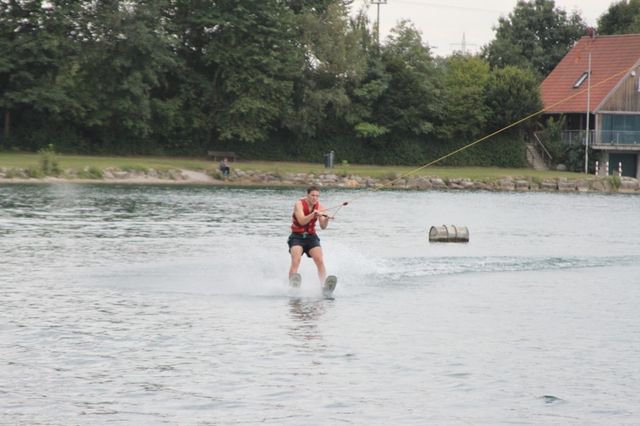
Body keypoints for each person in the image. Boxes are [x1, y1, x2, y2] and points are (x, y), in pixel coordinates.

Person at [288, 185, 331, 284]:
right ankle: (292, 285)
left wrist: (326, 219)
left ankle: (324, 285)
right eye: (312, 195)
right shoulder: (299, 204)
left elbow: (323, 226)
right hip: (297, 237)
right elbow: (302, 221)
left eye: (317, 196)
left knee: (319, 260)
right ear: (307, 195)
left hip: (311, 237)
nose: (315, 198)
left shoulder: (320, 207)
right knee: (296, 260)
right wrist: (313, 214)